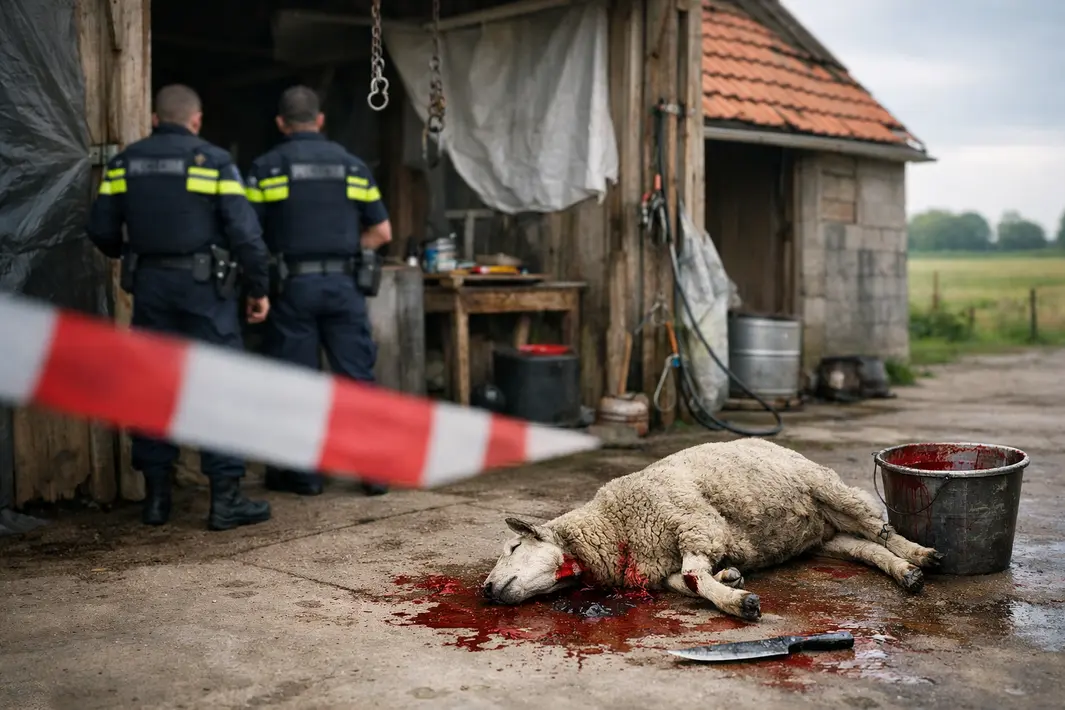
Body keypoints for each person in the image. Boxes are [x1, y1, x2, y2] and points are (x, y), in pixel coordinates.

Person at [86, 84, 274, 531]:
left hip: (150, 286)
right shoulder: (213, 160)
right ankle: (224, 500)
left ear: (155, 119)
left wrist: (137, 258)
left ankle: (156, 500)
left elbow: (101, 229)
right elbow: (245, 233)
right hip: (206, 290)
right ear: (196, 119)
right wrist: (258, 288)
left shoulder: (125, 162)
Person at [246, 85, 392, 497]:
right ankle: (373, 472)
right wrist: (345, 251)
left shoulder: (267, 167)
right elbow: (382, 232)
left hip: (292, 286)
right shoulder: (352, 166)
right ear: (321, 119)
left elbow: (248, 234)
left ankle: (307, 476)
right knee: (356, 377)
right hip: (344, 285)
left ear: (281, 123)